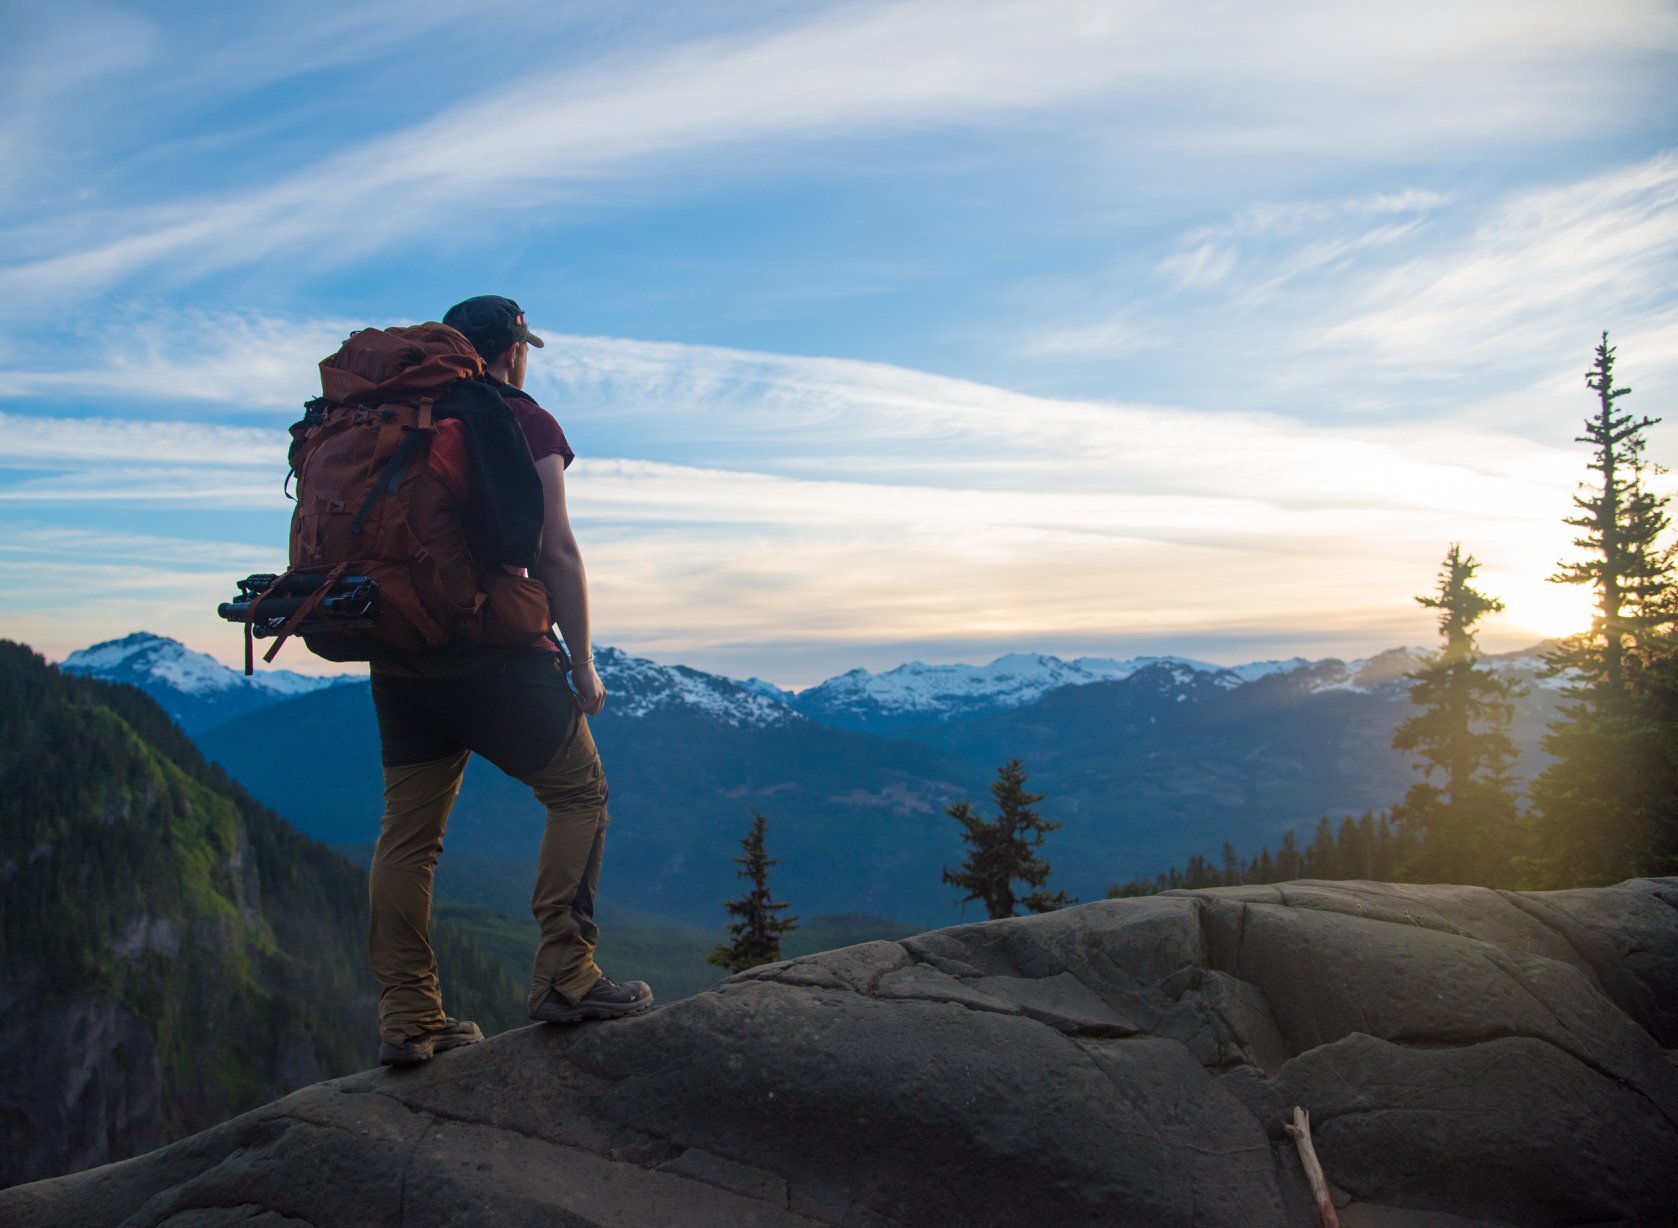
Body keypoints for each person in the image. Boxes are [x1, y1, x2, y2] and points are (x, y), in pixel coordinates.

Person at [367, 295, 652, 1067]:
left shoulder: (388, 417)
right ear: (515, 348)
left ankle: (408, 1015)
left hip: (395, 651)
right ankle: (567, 973)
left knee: (409, 838)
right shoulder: (522, 419)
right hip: (492, 649)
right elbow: (554, 548)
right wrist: (584, 661)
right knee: (580, 793)